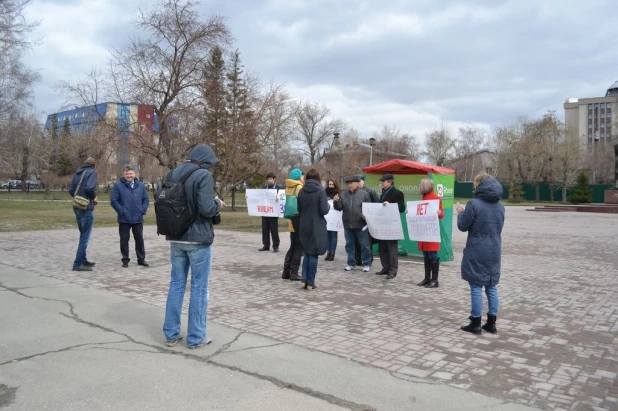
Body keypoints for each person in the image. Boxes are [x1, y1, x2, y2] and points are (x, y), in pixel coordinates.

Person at [162, 145, 225, 349]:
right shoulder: (203, 175)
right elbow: (206, 208)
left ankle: (171, 334)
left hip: (175, 236)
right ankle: (196, 337)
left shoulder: (173, 172)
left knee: (176, 284)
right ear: (205, 161)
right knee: (199, 288)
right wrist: (218, 204)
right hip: (197, 238)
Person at [456, 172, 505, 335]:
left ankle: (475, 322)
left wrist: (461, 213)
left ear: (478, 185)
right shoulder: (501, 206)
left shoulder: (474, 204)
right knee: (491, 286)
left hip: (477, 249)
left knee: (476, 285)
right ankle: (491, 323)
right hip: (494, 249)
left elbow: (463, 225)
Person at [110, 165, 150, 268]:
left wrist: (142, 209)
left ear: (134, 174)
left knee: (139, 239)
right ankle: (125, 260)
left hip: (137, 217)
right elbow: (114, 200)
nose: (129, 175)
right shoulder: (118, 186)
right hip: (124, 218)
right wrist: (121, 211)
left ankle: (141, 259)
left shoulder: (140, 185)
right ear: (124, 175)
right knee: (124, 240)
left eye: (130, 173)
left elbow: (145, 199)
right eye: (127, 174)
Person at [297, 169, 330, 290]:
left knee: (307, 253)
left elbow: (299, 209)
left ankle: (304, 280)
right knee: (314, 254)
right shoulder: (320, 191)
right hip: (317, 225)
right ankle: (310, 282)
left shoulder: (301, 191)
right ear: (318, 178)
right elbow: (324, 210)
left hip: (304, 224)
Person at [333, 175, 373, 272]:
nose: (349, 185)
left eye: (351, 183)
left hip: (361, 224)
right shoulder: (343, 194)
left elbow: (369, 207)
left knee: (364, 245)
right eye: (348, 184)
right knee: (349, 245)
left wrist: (366, 215)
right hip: (348, 224)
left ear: (357, 184)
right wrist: (336, 201)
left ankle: (366, 263)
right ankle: (351, 263)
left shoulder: (364, 194)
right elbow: (339, 208)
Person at [68, 157, 98, 272]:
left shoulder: (78, 172)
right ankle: (78, 263)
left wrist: (78, 198)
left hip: (76, 206)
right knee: (85, 237)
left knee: (83, 234)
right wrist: (93, 198)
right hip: (86, 207)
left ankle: (83, 259)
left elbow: (71, 190)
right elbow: (90, 188)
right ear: (94, 166)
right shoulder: (92, 172)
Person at [375, 174, 405, 280]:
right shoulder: (382, 193)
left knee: (392, 249)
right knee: (382, 247)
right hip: (382, 225)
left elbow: (401, 207)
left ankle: (393, 270)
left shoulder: (398, 193)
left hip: (392, 225)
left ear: (390, 182)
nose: (382, 184)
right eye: (382, 182)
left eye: (383, 182)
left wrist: (390, 204)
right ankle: (385, 267)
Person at [416, 178, 445, 288]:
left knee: (432, 255)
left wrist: (439, 213)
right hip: (424, 231)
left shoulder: (435, 198)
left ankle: (434, 280)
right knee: (426, 255)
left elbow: (442, 214)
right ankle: (427, 278)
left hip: (431, 231)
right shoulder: (424, 197)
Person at [281, 168, 304, 281]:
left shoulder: (288, 187)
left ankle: (286, 271)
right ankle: (294, 273)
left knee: (292, 246)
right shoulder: (299, 187)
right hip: (298, 220)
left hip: (291, 220)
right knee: (298, 247)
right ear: (299, 177)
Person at [355, 175, 379, 265]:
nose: (358, 183)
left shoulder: (370, 191)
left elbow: (377, 204)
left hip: (367, 221)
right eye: (356, 181)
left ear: (363, 181)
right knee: (356, 241)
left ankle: (368, 260)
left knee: (367, 242)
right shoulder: (354, 192)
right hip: (357, 220)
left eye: (359, 181)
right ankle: (357, 259)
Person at [259, 172, 280, 252]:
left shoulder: (278, 188)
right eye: (268, 179)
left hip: (274, 213)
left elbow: (282, 198)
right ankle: (266, 245)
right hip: (265, 212)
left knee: (274, 229)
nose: (269, 180)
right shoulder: (264, 188)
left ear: (274, 179)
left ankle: (276, 246)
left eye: (270, 179)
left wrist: (278, 198)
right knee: (265, 229)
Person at [324, 178, 341, 261]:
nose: (330, 186)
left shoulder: (338, 193)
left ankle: (332, 252)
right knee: (327, 235)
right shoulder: (325, 192)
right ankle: (328, 251)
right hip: (327, 216)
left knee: (333, 235)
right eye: (329, 184)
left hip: (335, 217)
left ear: (335, 185)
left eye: (332, 184)